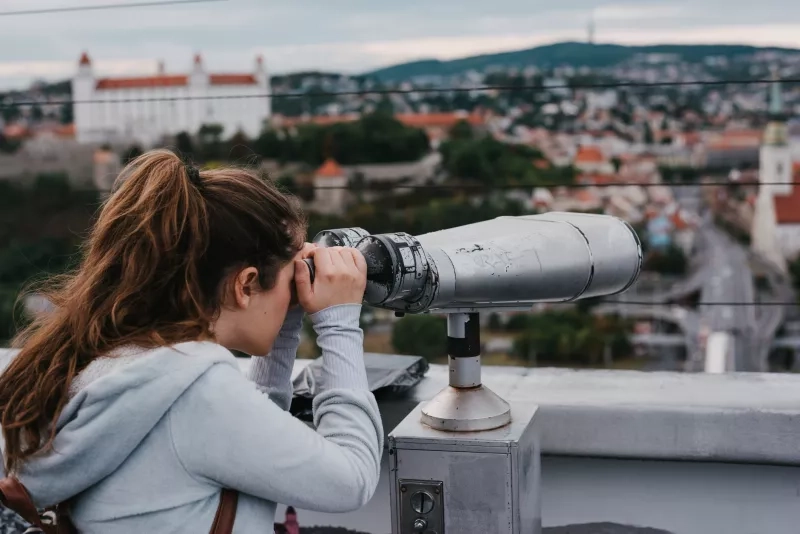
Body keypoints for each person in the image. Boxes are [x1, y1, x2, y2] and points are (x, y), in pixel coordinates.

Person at [0, 150, 383, 532]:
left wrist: (284, 323)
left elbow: (251, 432)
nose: (299, 285)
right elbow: (352, 480)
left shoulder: (125, 364)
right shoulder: (198, 394)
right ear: (246, 284)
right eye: (291, 276)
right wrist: (339, 321)